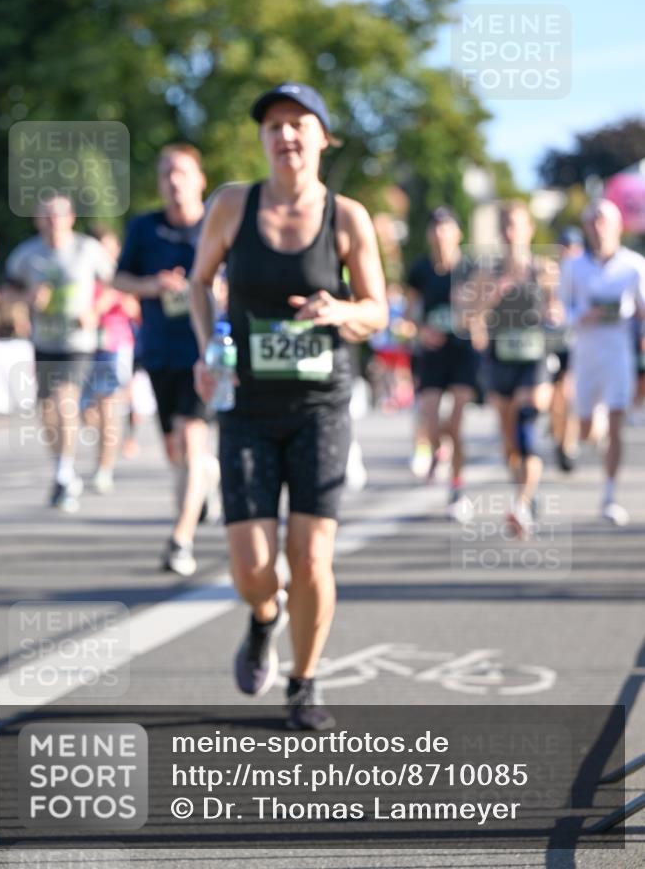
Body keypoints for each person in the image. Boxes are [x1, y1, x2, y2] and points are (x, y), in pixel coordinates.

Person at [190, 83, 388, 730]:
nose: (285, 135)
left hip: (319, 406)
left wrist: (341, 309)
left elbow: (378, 311)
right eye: (273, 125)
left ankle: (303, 681)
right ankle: (263, 616)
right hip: (245, 403)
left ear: (323, 138)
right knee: (252, 568)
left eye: (299, 124)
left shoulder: (347, 217)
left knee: (309, 557)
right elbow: (199, 283)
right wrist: (208, 348)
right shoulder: (231, 205)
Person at [114, 144, 220, 576]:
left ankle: (181, 540)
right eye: (166, 174)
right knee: (175, 451)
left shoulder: (216, 223)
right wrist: (152, 285)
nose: (174, 182)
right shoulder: (144, 227)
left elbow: (237, 277)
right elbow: (119, 279)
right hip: (159, 351)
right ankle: (204, 479)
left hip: (204, 352)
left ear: (200, 180)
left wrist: (213, 289)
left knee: (191, 438)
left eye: (182, 173)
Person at [4, 194, 114, 512]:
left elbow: (113, 285)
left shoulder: (87, 249)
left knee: (65, 400)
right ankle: (62, 467)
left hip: (79, 342)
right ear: (38, 220)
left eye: (59, 215)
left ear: (71, 218)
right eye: (47, 216)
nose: (53, 222)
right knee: (48, 409)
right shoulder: (27, 254)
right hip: (44, 342)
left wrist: (95, 310)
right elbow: (7, 291)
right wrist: (27, 298)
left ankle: (65, 475)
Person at [463, 201, 558, 537]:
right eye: (504, 225)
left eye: (516, 224)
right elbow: (468, 318)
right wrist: (491, 297)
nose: (509, 232)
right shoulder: (486, 273)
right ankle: (526, 494)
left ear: (529, 230)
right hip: (500, 359)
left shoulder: (543, 269)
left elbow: (559, 311)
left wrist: (554, 312)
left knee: (526, 426)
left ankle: (520, 505)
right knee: (509, 443)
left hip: (534, 359)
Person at [561, 199, 645, 525]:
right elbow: (561, 311)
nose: (598, 229)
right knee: (585, 429)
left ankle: (609, 496)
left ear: (618, 226)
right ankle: (597, 436)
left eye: (604, 221)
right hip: (585, 354)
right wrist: (583, 315)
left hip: (618, 353)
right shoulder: (574, 266)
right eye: (592, 222)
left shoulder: (634, 266)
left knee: (616, 419)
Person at [406, 207, 479, 519]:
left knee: (456, 425)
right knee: (432, 423)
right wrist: (421, 331)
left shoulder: (470, 268)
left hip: (463, 353)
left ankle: (457, 489)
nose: (440, 234)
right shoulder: (420, 269)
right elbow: (408, 315)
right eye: (435, 228)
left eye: (446, 227)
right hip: (433, 355)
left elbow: (486, 308)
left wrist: (470, 311)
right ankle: (438, 449)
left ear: (458, 234)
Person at [81, 226, 140, 494]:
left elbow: (135, 310)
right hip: (83, 346)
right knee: (82, 410)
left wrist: (112, 298)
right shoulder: (83, 273)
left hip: (114, 345)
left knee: (108, 407)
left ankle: (104, 468)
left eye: (111, 248)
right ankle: (108, 441)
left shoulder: (121, 276)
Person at [548, 227, 584, 472]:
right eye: (565, 247)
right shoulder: (552, 275)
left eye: (573, 248)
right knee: (555, 398)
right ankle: (559, 437)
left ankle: (568, 444)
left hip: (576, 344)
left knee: (569, 394)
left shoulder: (585, 276)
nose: (569, 253)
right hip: (553, 343)